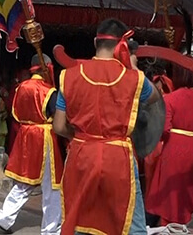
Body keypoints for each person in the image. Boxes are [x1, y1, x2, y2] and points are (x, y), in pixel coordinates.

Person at [52, 18, 161, 235]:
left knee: (79, 219)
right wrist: (130, 66)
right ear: (123, 46)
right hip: (117, 156)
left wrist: (80, 135)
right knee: (131, 223)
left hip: (82, 154)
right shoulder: (133, 78)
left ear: (95, 42)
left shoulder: (70, 75)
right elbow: (155, 97)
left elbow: (59, 126)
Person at [0, 54, 62, 235]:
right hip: (44, 136)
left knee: (24, 181)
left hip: (25, 135)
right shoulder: (49, 91)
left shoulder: (20, 88)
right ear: (46, 67)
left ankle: (4, 217)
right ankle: (51, 229)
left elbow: (14, 113)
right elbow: (58, 116)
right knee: (52, 185)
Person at [145, 67, 193, 226]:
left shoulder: (172, 98)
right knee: (191, 194)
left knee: (170, 198)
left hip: (174, 149)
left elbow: (163, 129)